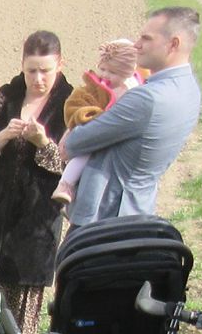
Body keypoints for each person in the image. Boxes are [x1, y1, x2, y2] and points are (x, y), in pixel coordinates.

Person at [0, 31, 73, 334]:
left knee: (19, 314)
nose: (38, 79)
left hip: (36, 223)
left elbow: (69, 168)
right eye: (31, 70)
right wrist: (2, 137)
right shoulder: (5, 97)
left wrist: (43, 143)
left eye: (45, 71)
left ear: (60, 65)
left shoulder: (71, 105)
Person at [61, 6, 202, 226]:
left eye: (146, 38)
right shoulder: (189, 88)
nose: (137, 44)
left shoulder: (147, 99)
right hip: (138, 210)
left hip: (104, 218)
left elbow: (74, 143)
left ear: (173, 44)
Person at [52, 38, 142, 210]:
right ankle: (65, 184)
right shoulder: (96, 87)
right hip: (92, 126)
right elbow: (78, 104)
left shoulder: (132, 90)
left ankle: (71, 186)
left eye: (112, 72)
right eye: (102, 69)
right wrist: (83, 118)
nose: (105, 75)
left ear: (128, 72)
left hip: (111, 138)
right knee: (82, 155)